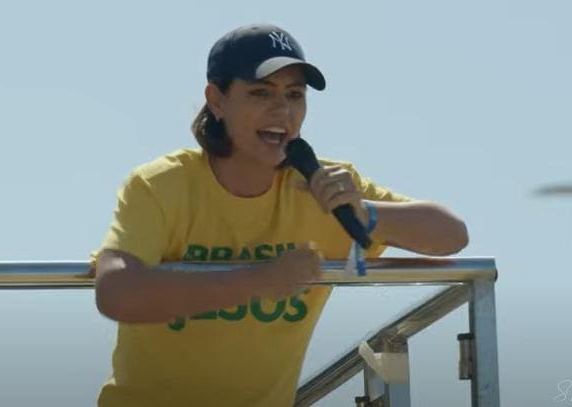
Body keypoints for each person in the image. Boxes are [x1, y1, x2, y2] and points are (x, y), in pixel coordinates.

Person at [91, 23, 468, 407]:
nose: (282, 110)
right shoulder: (161, 184)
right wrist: (258, 281)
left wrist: (366, 212)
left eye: (294, 95)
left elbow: (452, 235)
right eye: (261, 93)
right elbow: (116, 292)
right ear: (217, 100)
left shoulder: (324, 185)